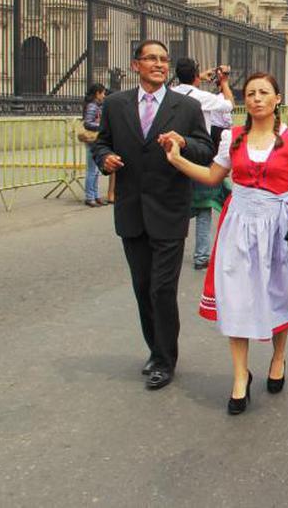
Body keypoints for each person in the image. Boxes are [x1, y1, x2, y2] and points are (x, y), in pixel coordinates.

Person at [162, 73, 288, 414]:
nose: (257, 98)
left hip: (278, 224)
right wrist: (177, 159)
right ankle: (240, 376)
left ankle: (278, 357)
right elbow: (212, 176)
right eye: (251, 93)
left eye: (264, 92)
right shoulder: (232, 137)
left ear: (277, 99)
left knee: (278, 293)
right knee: (236, 297)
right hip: (238, 224)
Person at [91, 39, 214, 390]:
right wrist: (105, 159)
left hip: (169, 211)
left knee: (162, 289)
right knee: (143, 288)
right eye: (151, 59)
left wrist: (184, 143)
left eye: (163, 59)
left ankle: (164, 359)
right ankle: (155, 348)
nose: (159, 64)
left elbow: (205, 149)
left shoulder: (186, 107)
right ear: (136, 65)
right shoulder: (116, 105)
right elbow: (102, 142)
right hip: (131, 211)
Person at [173, 57, 235, 270]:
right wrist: (224, 82)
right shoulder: (203, 97)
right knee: (203, 207)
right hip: (199, 154)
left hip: (174, 153)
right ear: (195, 76)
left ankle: (171, 251)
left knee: (175, 205)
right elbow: (229, 104)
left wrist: (198, 76)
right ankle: (201, 256)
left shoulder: (170, 94)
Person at [82, 83, 108, 208]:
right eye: (103, 93)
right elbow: (88, 123)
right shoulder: (92, 106)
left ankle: (95, 195)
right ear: (97, 93)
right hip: (92, 140)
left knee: (96, 170)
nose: (104, 96)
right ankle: (90, 197)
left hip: (96, 140)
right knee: (92, 170)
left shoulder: (97, 106)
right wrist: (102, 126)